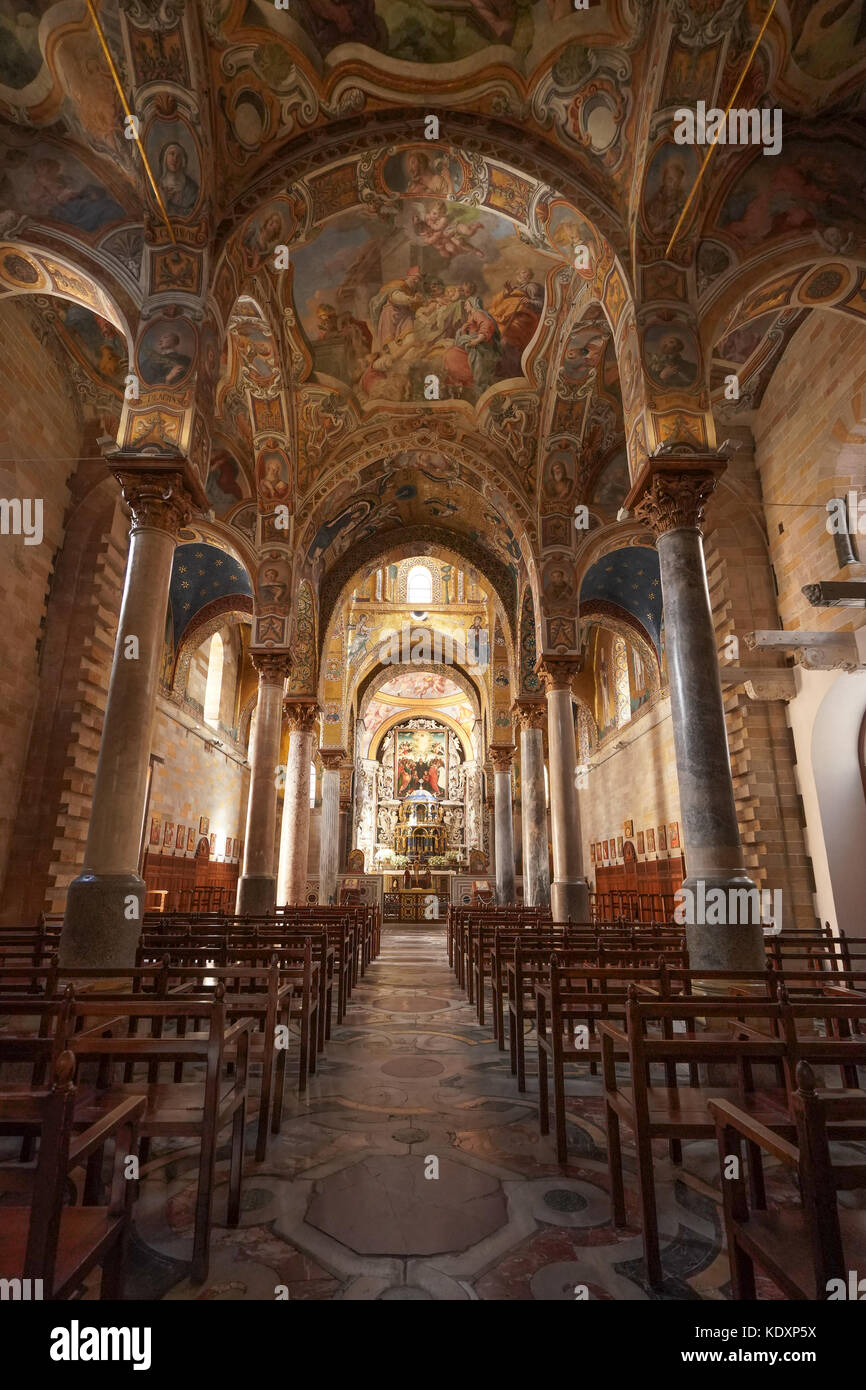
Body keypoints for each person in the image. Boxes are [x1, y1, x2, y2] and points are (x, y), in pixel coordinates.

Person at [158, 141, 199, 217]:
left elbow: (192, 213)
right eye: (172, 154)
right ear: (165, 158)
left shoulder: (192, 187)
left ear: (183, 161)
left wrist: (166, 204)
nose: (175, 159)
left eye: (178, 156)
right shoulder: (157, 185)